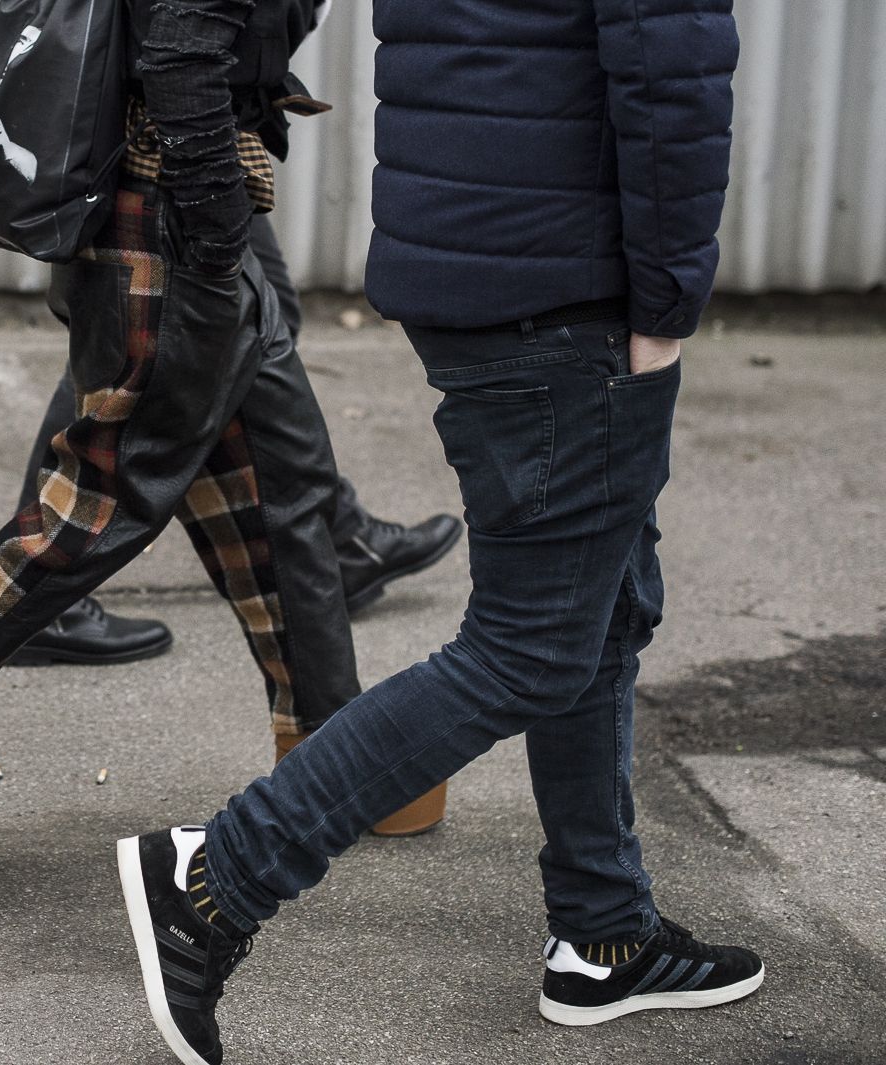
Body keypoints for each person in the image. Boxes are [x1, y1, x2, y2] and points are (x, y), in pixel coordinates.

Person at [116, 1, 761, 1060]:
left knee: (601, 602)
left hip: (477, 255)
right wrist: (667, 304)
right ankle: (215, 876)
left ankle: (604, 934)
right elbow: (668, 79)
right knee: (529, 645)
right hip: (565, 283)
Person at [0, 0, 391, 870]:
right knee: (104, 500)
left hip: (188, 219)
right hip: (175, 227)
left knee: (283, 481)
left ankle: (329, 744)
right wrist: (218, 247)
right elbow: (182, 54)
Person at [9, 213, 461, 670]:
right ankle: (35, 590)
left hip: (209, 176)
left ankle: (337, 536)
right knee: (175, 338)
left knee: (237, 324)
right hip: (182, 181)